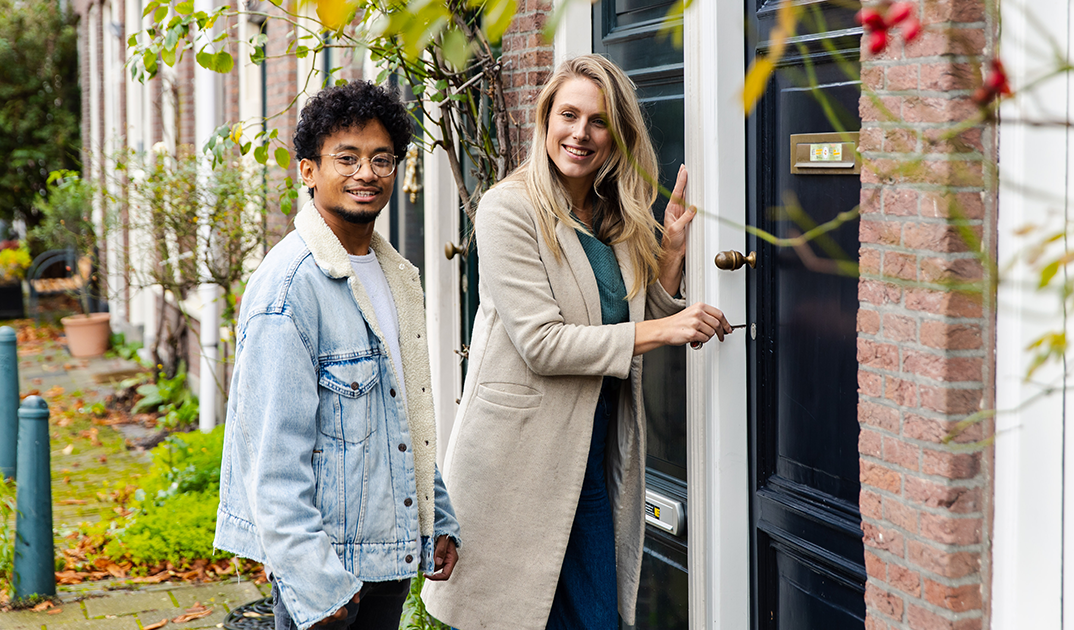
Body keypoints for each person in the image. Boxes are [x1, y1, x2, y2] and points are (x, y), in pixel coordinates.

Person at [420, 55, 731, 630]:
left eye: (598, 121)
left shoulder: (613, 215)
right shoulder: (507, 208)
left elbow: (628, 315)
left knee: (588, 614)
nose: (580, 134)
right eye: (569, 115)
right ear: (546, 121)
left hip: (595, 446)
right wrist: (664, 328)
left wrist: (671, 256)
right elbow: (543, 343)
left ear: (617, 135)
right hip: (524, 456)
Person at [214, 81, 460, 630]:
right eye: (345, 158)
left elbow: (404, 415)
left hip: (386, 559)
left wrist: (436, 516)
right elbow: (271, 463)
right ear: (307, 171)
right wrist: (315, 584)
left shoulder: (396, 276)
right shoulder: (290, 288)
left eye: (381, 158)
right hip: (329, 575)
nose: (366, 173)